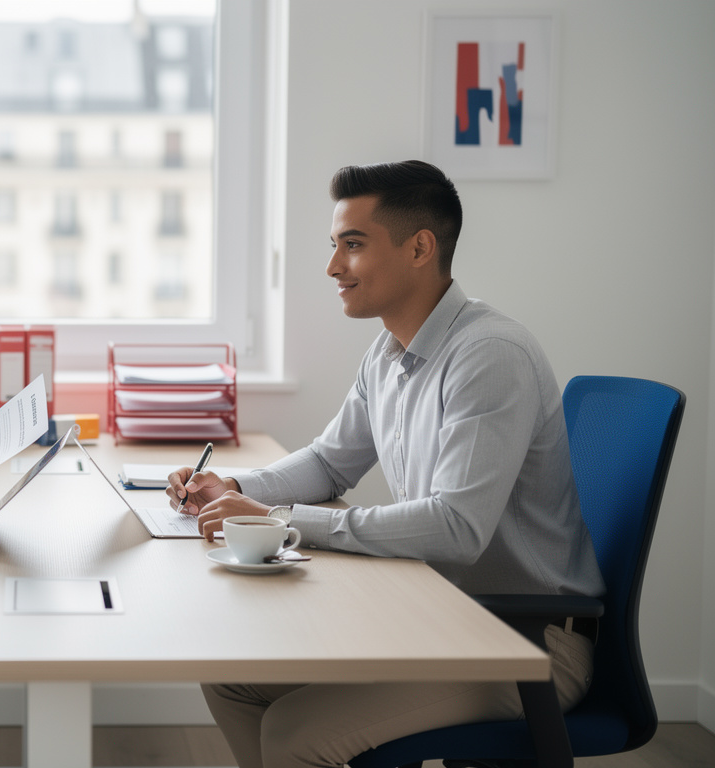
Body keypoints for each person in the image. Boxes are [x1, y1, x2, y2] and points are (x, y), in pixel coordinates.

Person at [166, 160, 605, 768]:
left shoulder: (489, 355)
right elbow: (328, 462)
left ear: (420, 247)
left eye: (353, 245)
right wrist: (233, 487)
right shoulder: (389, 351)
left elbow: (457, 528)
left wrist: (274, 517)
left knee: (295, 734)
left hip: (524, 641)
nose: (332, 267)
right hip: (438, 616)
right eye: (334, 245)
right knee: (234, 680)